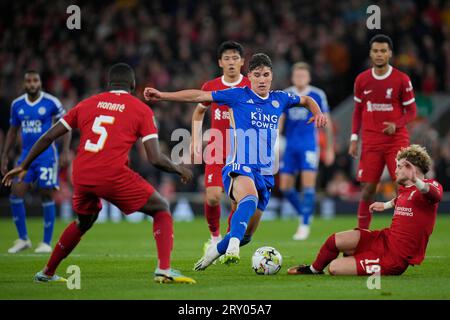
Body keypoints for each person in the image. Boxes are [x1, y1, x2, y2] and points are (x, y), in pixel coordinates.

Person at [2, 63, 196, 284]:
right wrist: (178, 168)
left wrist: (24, 164)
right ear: (132, 85)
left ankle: (46, 272)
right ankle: (164, 269)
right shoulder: (141, 109)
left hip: (82, 174)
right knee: (161, 208)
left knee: (84, 221)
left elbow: (48, 136)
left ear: (108, 85)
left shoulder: (87, 104)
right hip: (112, 174)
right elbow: (154, 157)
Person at [144, 53, 327, 270]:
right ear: (249, 76)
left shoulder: (280, 98)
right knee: (248, 199)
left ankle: (217, 249)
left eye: (266, 75)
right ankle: (232, 245)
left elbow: (305, 99)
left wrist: (317, 112)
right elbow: (198, 97)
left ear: (271, 77)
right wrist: (162, 95)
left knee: (247, 236)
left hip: (266, 172)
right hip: (239, 165)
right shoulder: (238, 95)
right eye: (257, 75)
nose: (261, 79)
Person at [287, 144, 442, 276]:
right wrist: (386, 205)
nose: (395, 171)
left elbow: (434, 196)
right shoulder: (405, 189)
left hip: (393, 259)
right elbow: (403, 199)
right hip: (384, 239)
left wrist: (416, 179)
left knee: (334, 267)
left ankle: (355, 256)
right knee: (334, 240)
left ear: (410, 168)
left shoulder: (431, 186)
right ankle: (313, 270)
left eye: (400, 167)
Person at [349, 34, 417, 230]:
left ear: (390, 53)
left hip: (396, 140)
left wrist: (396, 124)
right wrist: (354, 138)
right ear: (371, 54)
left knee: (401, 186)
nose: (379, 54)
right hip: (370, 141)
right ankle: (362, 232)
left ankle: (402, 230)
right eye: (376, 51)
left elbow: (412, 112)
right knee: (368, 188)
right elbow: (357, 111)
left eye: (383, 51)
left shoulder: (401, 79)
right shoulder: (362, 80)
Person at [190, 41, 251, 253]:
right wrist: (196, 140)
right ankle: (214, 238)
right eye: (227, 58)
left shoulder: (250, 85)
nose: (231, 62)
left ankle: (228, 240)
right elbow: (198, 112)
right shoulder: (211, 86)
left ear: (242, 62)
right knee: (213, 196)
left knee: (236, 201)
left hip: (243, 149)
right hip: (217, 146)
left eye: (235, 58)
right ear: (220, 62)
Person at [1, 71, 70, 254]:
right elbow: (12, 130)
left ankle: (46, 242)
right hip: (26, 156)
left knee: (46, 194)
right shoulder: (17, 104)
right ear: (24, 84)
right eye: (29, 81)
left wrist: (65, 151)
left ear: (40, 82)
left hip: (47, 156)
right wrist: (5, 154)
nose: (32, 84)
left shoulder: (51, 102)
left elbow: (68, 125)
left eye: (35, 80)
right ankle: (23, 239)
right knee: (16, 193)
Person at [279, 62, 335, 240]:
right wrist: (274, 140)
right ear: (292, 77)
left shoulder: (317, 94)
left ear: (309, 77)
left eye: (303, 75)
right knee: (285, 186)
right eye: (297, 75)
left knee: (307, 185)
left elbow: (327, 121)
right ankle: (304, 214)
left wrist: (330, 148)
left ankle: (304, 225)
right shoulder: (286, 94)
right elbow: (280, 119)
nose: (300, 78)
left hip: (309, 145)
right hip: (290, 146)